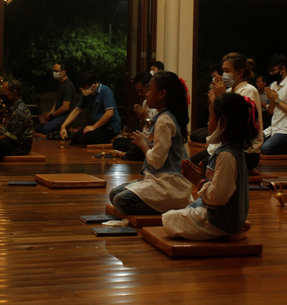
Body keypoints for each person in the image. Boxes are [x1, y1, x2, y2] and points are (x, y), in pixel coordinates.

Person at [162, 93, 256, 241]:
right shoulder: (228, 150)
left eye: (210, 118)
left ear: (222, 122)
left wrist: (199, 181)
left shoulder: (227, 155)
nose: (207, 123)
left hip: (219, 221)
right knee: (193, 205)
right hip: (225, 214)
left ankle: (229, 230)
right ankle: (236, 225)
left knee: (168, 220)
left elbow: (218, 198)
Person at [109, 71, 194, 215]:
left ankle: (177, 205)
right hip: (159, 179)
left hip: (170, 184)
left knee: (121, 201)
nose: (147, 94)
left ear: (162, 94)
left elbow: (157, 161)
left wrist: (143, 144)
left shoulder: (164, 120)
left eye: (150, 89)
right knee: (114, 194)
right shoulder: (163, 117)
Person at [59, 71, 122, 145]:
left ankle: (112, 139)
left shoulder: (105, 91)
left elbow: (109, 113)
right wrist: (63, 126)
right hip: (97, 125)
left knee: (84, 139)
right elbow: (76, 110)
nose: (83, 90)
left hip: (109, 127)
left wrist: (93, 127)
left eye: (84, 88)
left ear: (93, 85)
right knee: (74, 138)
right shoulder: (87, 94)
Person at [260, 54, 287, 155]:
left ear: (283, 69)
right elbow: (270, 111)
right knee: (255, 144)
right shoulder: (274, 85)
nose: (272, 73)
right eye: (270, 71)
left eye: (274, 70)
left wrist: (277, 100)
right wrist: (272, 101)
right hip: (275, 127)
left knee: (265, 149)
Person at [112, 71, 157, 160]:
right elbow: (142, 128)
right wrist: (142, 120)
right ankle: (135, 152)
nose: (139, 94)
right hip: (143, 139)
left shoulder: (158, 105)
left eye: (141, 91)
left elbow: (155, 130)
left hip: (152, 141)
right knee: (117, 142)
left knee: (138, 148)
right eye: (138, 91)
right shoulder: (145, 103)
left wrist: (146, 118)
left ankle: (126, 154)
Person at [34, 62, 76, 138]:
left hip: (65, 116)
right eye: (53, 71)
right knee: (38, 128)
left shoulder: (67, 86)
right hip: (57, 115)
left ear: (64, 72)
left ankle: (65, 131)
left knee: (45, 130)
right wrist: (49, 115)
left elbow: (65, 107)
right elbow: (57, 101)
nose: (54, 73)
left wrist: (51, 116)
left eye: (56, 71)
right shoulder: (61, 84)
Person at [189, 63, 222, 144]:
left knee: (201, 137)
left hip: (220, 126)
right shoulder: (213, 91)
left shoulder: (224, 91)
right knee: (193, 135)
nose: (213, 80)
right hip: (212, 123)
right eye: (212, 77)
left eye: (215, 76)